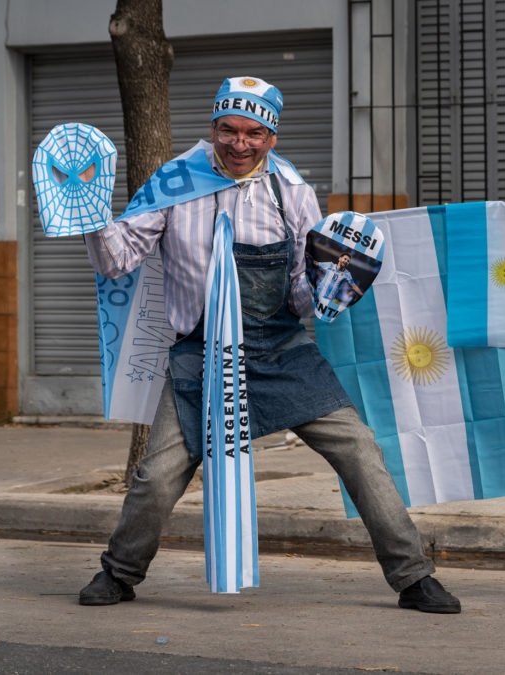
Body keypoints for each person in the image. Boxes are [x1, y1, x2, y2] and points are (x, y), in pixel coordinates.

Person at [77, 76, 460, 614]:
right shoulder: (173, 182)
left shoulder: (292, 191)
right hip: (200, 354)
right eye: (228, 130)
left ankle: (414, 577)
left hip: (281, 348)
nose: (239, 144)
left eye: (254, 133)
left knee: (359, 449)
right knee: (157, 476)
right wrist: (92, 212)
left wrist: (328, 291)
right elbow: (117, 261)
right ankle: (118, 573)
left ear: (272, 137)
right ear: (213, 128)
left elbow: (302, 290)